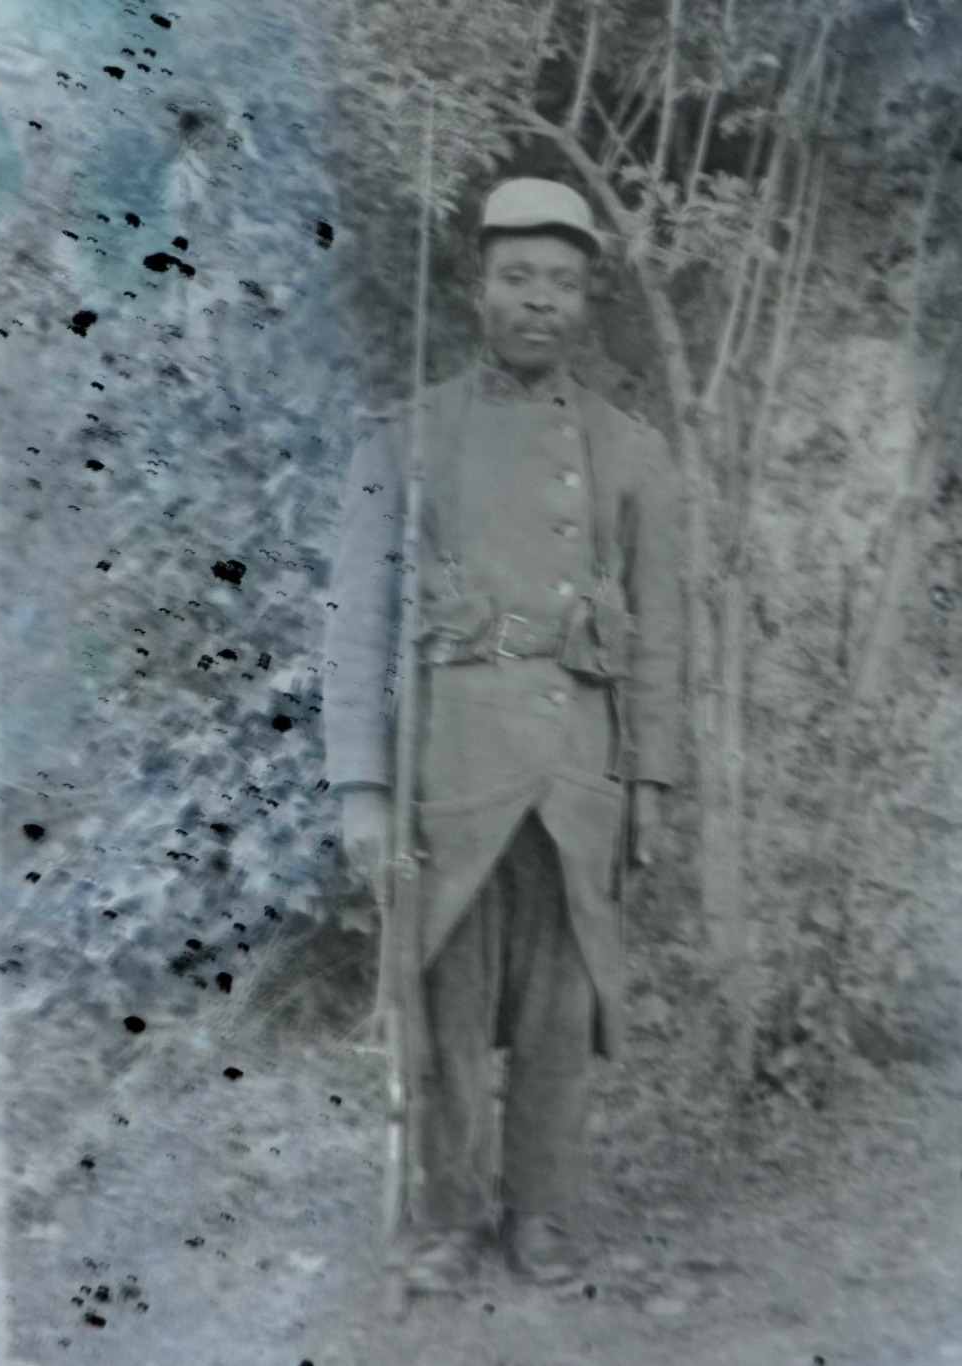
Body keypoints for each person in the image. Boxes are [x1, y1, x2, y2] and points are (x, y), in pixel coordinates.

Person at [322, 177, 684, 1294]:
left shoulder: (631, 454)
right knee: (442, 999)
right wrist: (362, 787)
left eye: (563, 283)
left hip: (577, 767)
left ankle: (546, 1219)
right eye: (518, 277)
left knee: (559, 1013)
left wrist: (652, 780)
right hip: (453, 766)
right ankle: (449, 1217)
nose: (540, 301)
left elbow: (664, 632)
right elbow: (356, 623)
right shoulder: (407, 439)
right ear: (477, 286)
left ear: (587, 302)